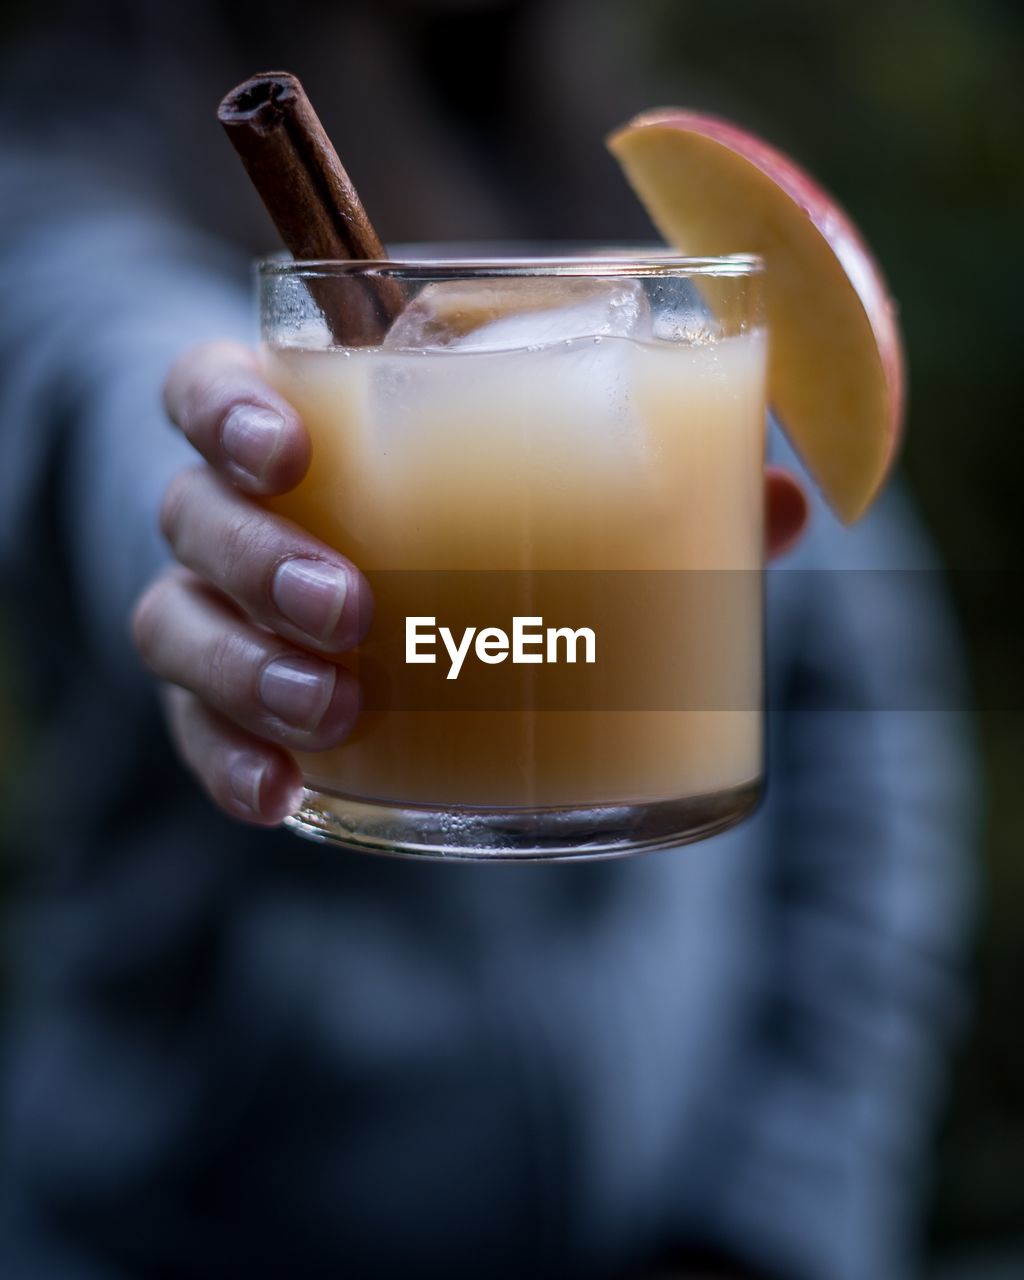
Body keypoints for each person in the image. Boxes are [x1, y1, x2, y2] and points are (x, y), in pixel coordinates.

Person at [0, 2, 976, 1277]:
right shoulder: (85, 147)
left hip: (664, 1230)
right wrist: (213, 521)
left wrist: (775, 1219)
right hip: (182, 1236)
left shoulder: (678, 217)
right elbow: (99, 370)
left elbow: (870, 753)